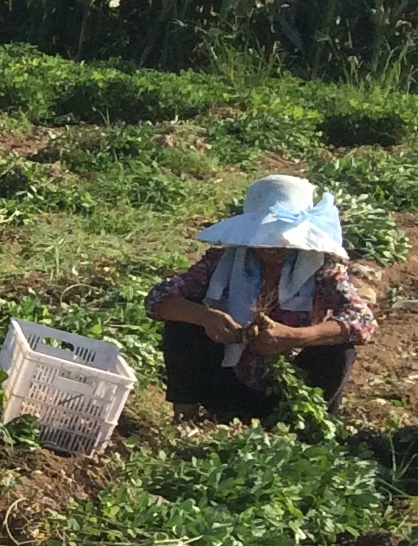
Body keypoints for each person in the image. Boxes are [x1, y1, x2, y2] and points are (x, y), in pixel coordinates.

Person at [146, 173, 377, 418]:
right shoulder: (223, 263)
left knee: (339, 351)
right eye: (265, 238)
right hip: (228, 384)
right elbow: (157, 299)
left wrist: (296, 336)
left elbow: (362, 321)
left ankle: (305, 431)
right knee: (183, 324)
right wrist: (205, 317)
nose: (273, 248)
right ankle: (186, 418)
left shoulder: (322, 270)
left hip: (290, 392)